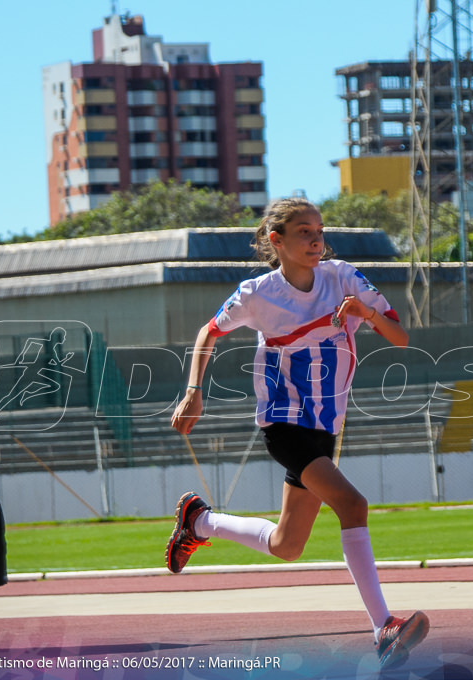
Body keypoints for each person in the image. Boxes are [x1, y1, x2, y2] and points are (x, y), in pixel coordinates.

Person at [166, 197, 429, 669]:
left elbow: (400, 337)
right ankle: (383, 628)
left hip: (325, 424)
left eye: (319, 231)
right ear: (277, 241)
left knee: (287, 544)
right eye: (304, 231)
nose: (315, 239)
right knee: (352, 505)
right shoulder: (258, 294)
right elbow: (209, 332)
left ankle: (199, 522)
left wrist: (366, 314)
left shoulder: (343, 276)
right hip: (283, 421)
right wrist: (192, 390)